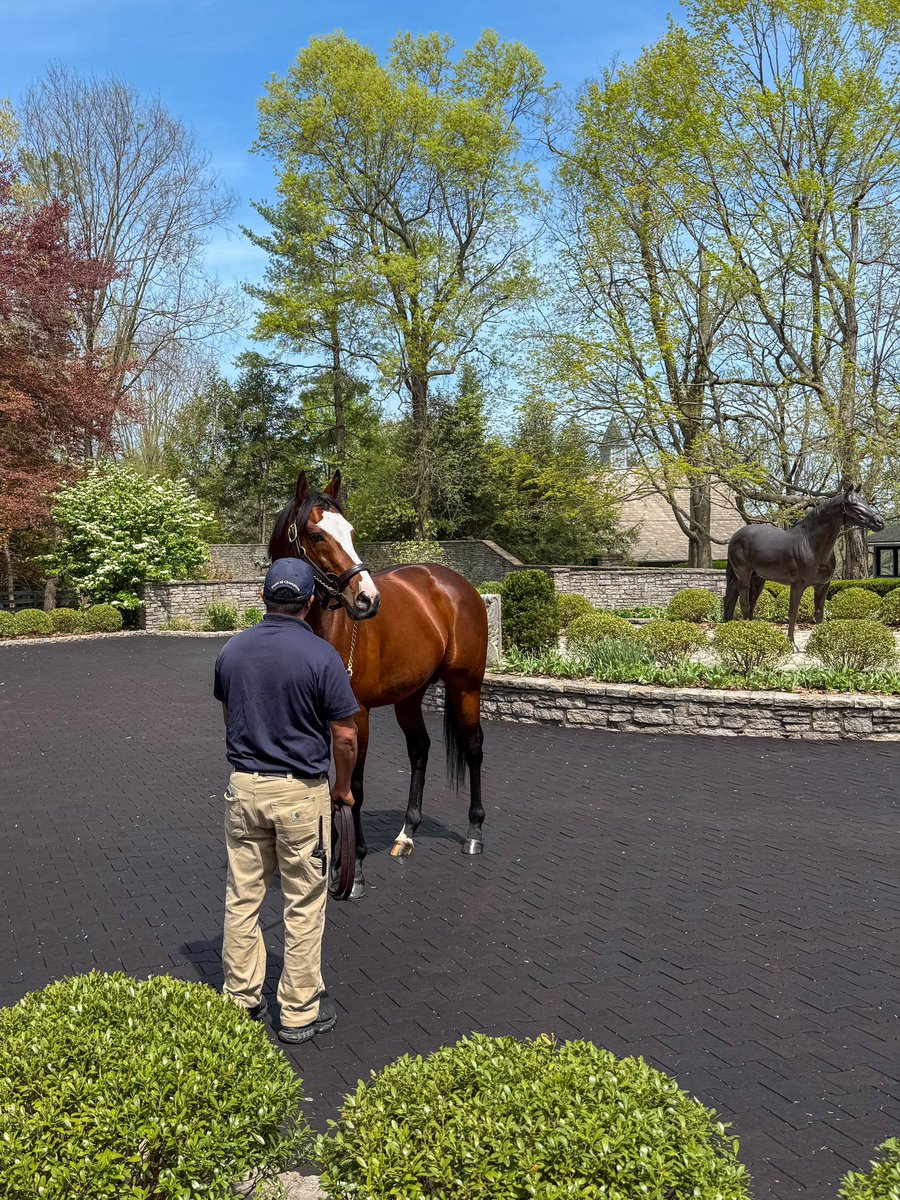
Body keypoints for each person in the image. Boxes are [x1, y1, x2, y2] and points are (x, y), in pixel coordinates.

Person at [213, 557, 359, 1044]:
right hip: (299, 794)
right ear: (311, 602)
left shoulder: (232, 650)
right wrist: (343, 788)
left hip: (244, 788)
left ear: (263, 597)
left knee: (243, 898)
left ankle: (240, 1000)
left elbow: (233, 713)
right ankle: (297, 1012)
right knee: (303, 903)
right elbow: (345, 735)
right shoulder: (322, 657)